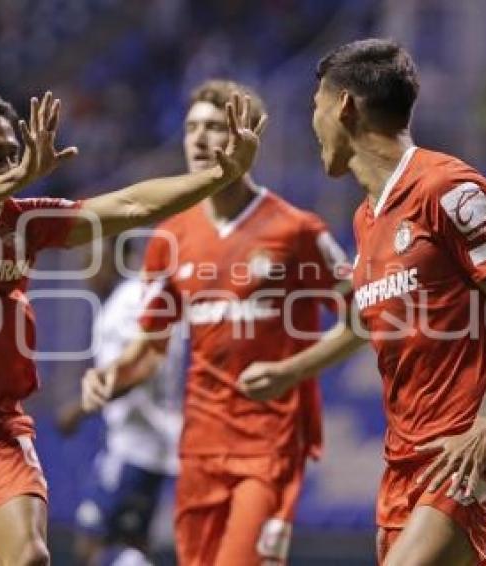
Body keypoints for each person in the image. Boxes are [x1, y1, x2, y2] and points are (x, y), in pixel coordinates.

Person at [0, 86, 264, 566]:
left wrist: (220, 176)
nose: (10, 169)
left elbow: (130, 205)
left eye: (14, 155)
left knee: (29, 557)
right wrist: (18, 179)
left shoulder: (19, 221)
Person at [238, 39, 486, 566]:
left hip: (466, 450)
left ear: (344, 107)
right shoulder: (366, 219)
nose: (312, 125)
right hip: (406, 458)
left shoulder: (447, 188)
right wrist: (291, 371)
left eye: (315, 106)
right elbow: (362, 323)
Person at [80, 79, 351, 566]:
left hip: (269, 448)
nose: (200, 140)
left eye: (214, 128)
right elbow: (150, 347)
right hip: (200, 447)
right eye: (191, 128)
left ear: (245, 139)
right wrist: (110, 373)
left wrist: (291, 371)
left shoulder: (298, 231)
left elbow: (362, 321)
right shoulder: (170, 236)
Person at [57, 239, 184, 565]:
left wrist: (80, 408)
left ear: (121, 258)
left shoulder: (128, 302)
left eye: (94, 257)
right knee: (132, 543)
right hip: (151, 441)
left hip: (136, 444)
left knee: (92, 544)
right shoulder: (140, 297)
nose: (88, 268)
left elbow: (142, 367)